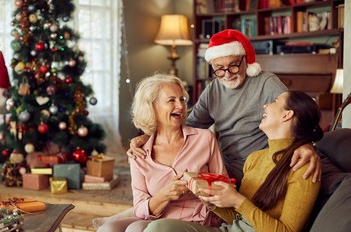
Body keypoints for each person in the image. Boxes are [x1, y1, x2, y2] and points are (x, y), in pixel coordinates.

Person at [124, 90, 324, 232]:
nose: (265, 106)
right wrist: (209, 198)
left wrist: (237, 200)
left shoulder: (304, 167)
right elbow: (236, 217)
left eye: (274, 102)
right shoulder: (256, 158)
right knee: (159, 230)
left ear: (287, 115)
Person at [128, 29, 321, 186]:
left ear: (245, 60)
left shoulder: (266, 83)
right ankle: (137, 215)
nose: (227, 74)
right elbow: (190, 124)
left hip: (256, 167)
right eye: (219, 69)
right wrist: (148, 137)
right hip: (222, 164)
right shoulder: (213, 90)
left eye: (233, 66)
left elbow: (296, 113)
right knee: (172, 180)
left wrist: (306, 145)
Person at [94, 73, 229, 232]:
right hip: (156, 218)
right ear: (152, 107)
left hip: (196, 221)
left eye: (182, 99)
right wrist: (165, 195)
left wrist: (205, 191)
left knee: (135, 231)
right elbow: (140, 206)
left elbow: (224, 186)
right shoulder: (139, 153)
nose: (181, 106)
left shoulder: (205, 139)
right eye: (171, 100)